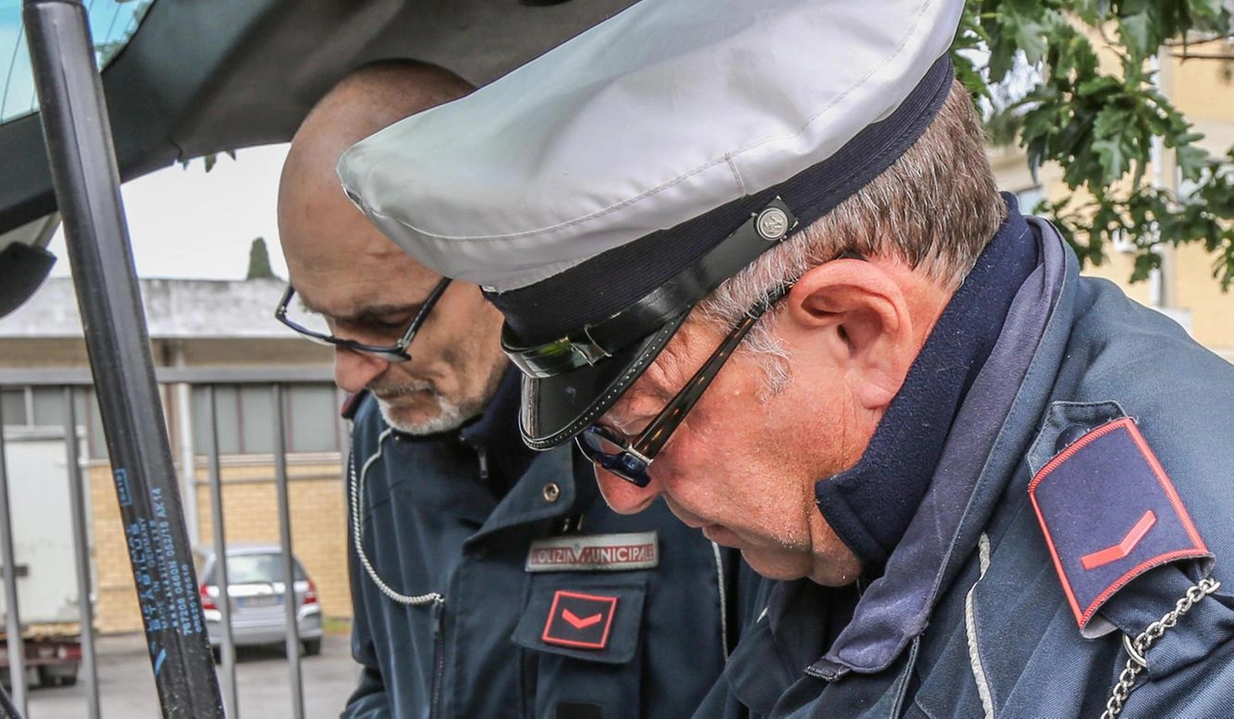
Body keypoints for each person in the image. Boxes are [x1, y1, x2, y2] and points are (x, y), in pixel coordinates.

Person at [337, 1, 1234, 717]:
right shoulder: (859, 508)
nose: (622, 492)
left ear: (857, 329)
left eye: (643, 423)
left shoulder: (1183, 640)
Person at [276, 60, 750, 719]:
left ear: (509, 259)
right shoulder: (378, 446)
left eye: (383, 322)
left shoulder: (684, 431)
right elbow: (383, 682)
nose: (349, 374)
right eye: (324, 320)